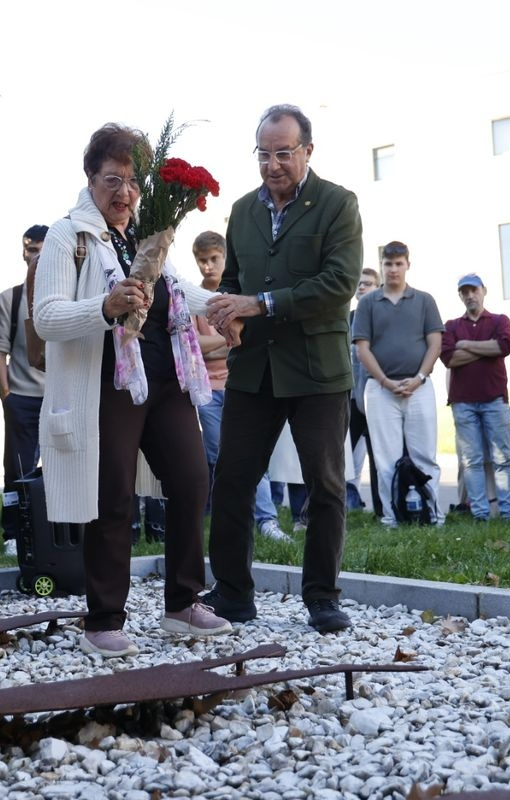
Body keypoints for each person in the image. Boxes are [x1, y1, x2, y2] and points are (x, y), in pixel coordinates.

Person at [32, 122, 232, 658]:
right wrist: (104, 306)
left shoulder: (145, 231)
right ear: (90, 178)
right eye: (112, 180)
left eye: (133, 181)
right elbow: (46, 317)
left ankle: (183, 604)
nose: (124, 192)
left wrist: (223, 307)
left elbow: (176, 289)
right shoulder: (68, 236)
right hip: (106, 385)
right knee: (113, 498)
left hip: (164, 379)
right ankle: (103, 619)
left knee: (192, 479)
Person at [202, 104, 363, 634]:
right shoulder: (242, 210)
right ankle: (232, 595)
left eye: (283, 153)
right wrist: (229, 311)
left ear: (307, 151)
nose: (272, 165)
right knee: (232, 480)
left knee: (325, 486)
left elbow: (338, 284)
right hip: (254, 370)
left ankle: (322, 596)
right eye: (263, 154)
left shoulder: (338, 204)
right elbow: (234, 280)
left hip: (317, 371)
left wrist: (259, 304)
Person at [191, 230, 287, 540]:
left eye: (214, 258)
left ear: (225, 257)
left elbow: (247, 339)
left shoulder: (238, 294)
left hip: (240, 382)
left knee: (252, 453)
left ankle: (266, 520)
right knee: (220, 456)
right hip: (207, 388)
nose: (208, 266)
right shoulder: (194, 299)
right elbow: (193, 346)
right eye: (202, 260)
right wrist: (228, 339)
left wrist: (221, 343)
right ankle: (234, 521)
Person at [352, 241, 444, 529]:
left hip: (420, 388)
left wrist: (419, 378)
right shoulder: (368, 303)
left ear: (407, 265)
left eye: (398, 263)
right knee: (385, 458)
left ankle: (433, 514)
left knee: (425, 455)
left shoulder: (424, 300)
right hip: (380, 390)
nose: (393, 269)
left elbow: (435, 344)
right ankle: (392, 517)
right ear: (382, 266)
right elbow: (362, 349)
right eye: (388, 264)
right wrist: (386, 382)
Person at [0, 225, 48, 558]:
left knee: (60, 470)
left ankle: (53, 531)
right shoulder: (8, 300)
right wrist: (6, 395)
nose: (36, 256)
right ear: (23, 253)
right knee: (17, 470)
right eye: (31, 249)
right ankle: (12, 533)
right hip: (21, 397)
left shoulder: (69, 297)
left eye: (42, 249)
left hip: (60, 398)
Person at [440, 273, 510, 522]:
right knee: (471, 461)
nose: (470, 295)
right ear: (460, 296)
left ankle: (508, 514)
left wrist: (464, 344)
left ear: (484, 291)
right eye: (465, 292)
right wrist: (487, 348)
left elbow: (504, 347)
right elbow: (449, 359)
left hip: (495, 399)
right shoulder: (451, 325)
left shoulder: (500, 320)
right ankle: (480, 514)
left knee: (502, 459)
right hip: (463, 402)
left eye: (474, 290)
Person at [348, 267, 381, 515]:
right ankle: (345, 503)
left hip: (375, 393)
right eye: (359, 283)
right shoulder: (346, 318)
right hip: (349, 397)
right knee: (343, 455)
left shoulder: (381, 316)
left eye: (367, 283)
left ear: (377, 287)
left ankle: (382, 508)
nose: (361, 287)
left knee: (378, 455)